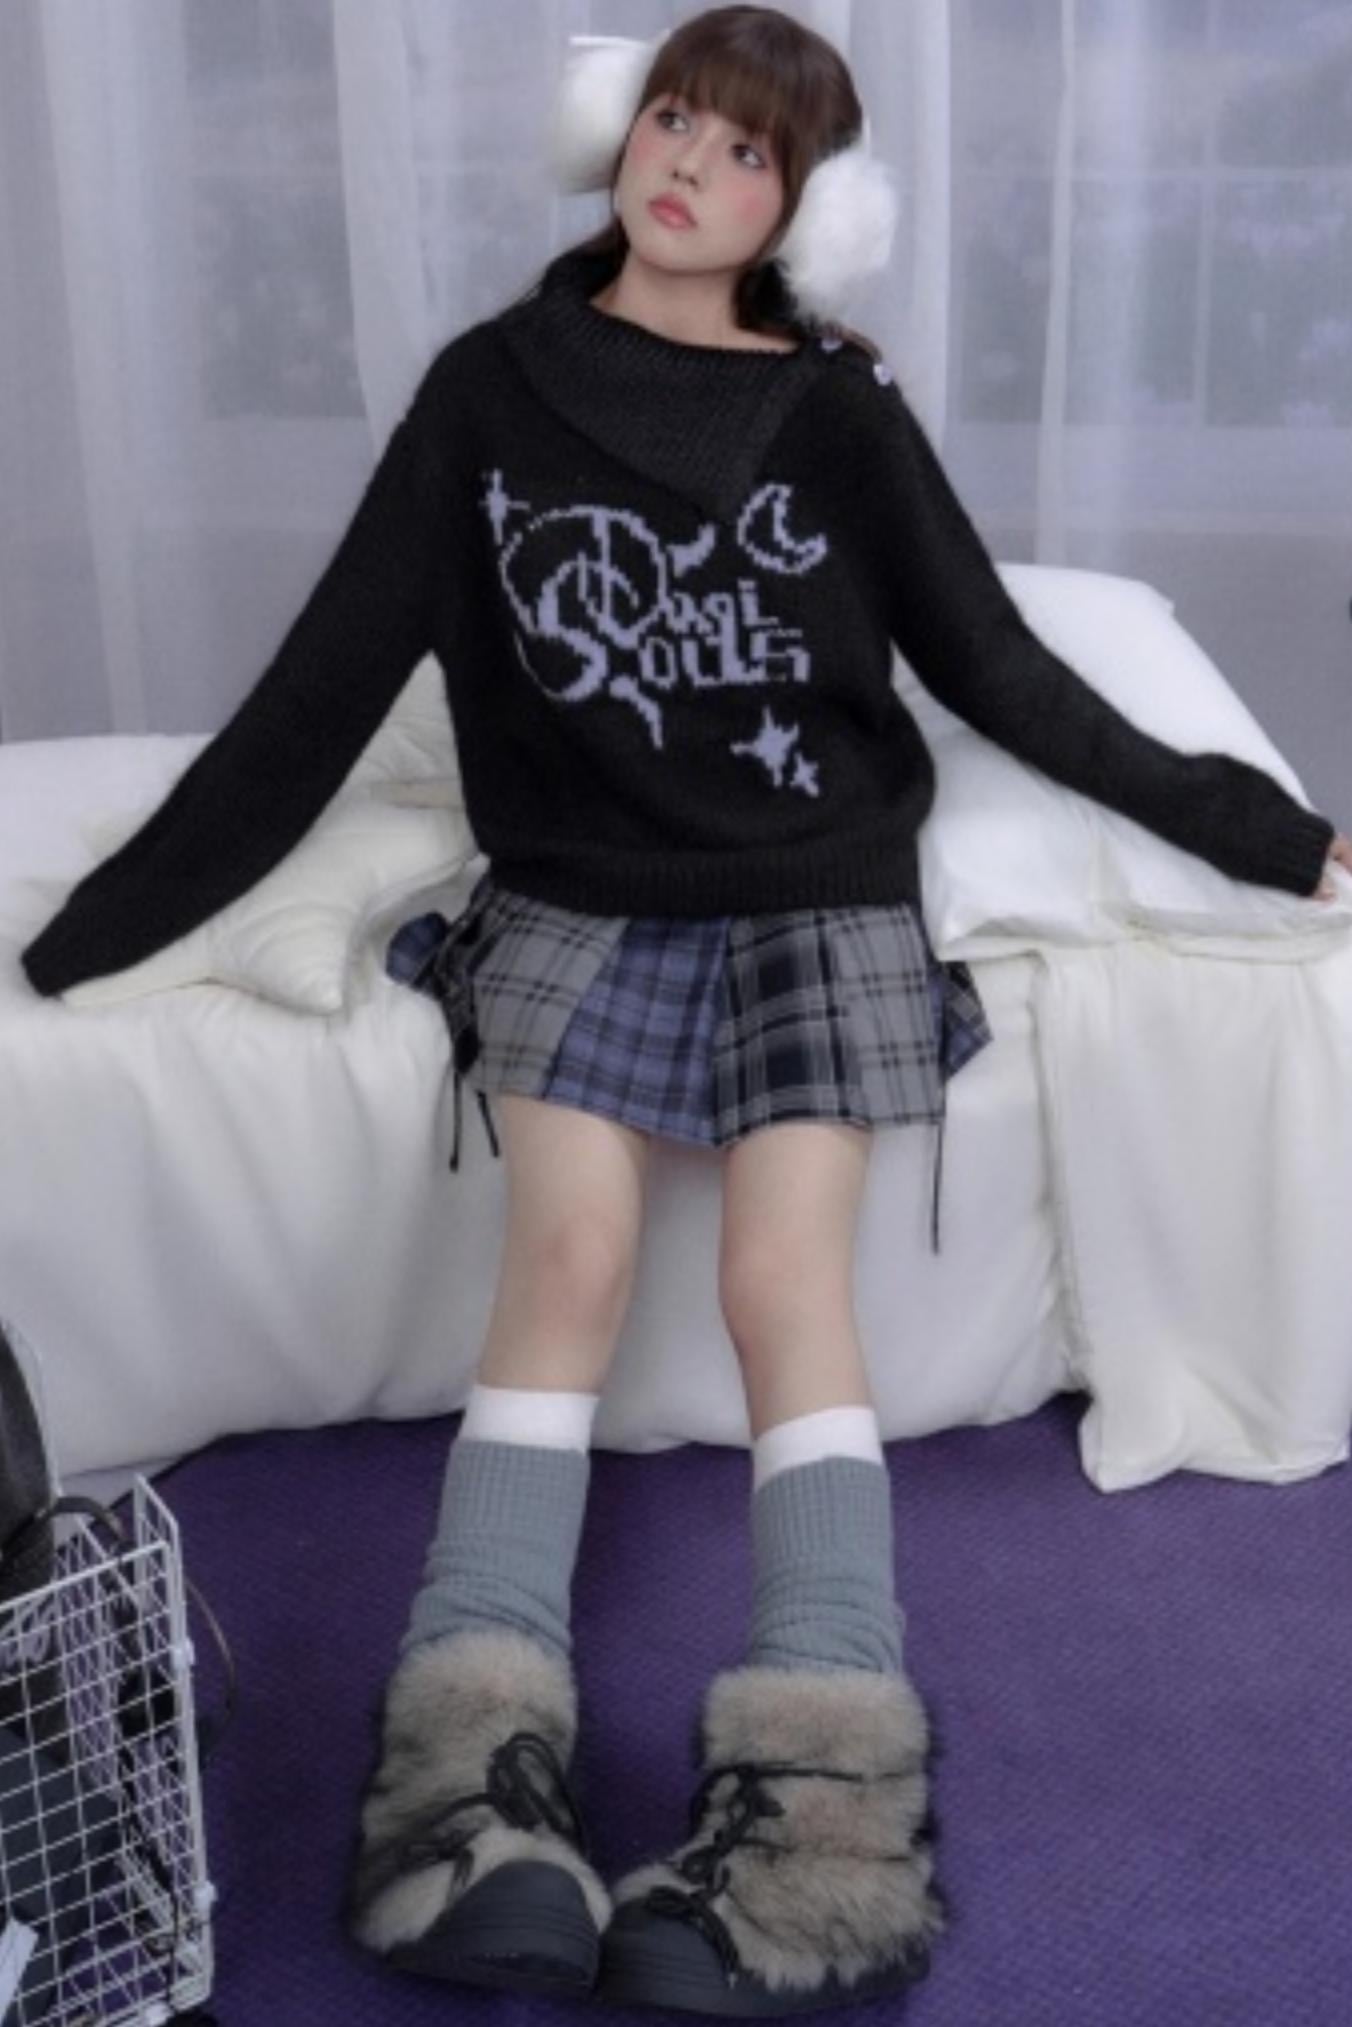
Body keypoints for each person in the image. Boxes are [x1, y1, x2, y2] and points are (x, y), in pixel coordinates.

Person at [21, 6, 1351, 2015]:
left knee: (778, 1292)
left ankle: (822, 1825)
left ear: (801, 208)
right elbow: (321, 688)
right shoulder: (491, 392)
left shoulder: (838, 414)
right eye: (672, 120)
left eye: (746, 153)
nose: (690, 168)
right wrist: (80, 937)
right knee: (561, 1260)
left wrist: (1273, 833)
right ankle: (466, 1790)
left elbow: (999, 669)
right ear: (616, 132)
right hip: (579, 896)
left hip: (814, 899)